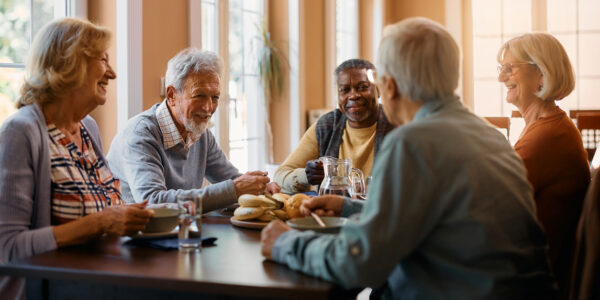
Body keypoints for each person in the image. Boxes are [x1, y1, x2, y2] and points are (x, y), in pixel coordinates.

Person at [261, 17, 557, 299]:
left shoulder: (412, 143)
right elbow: (439, 219)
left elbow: (361, 263)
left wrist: (285, 243)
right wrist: (349, 207)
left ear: (388, 86)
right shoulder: (491, 135)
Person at [0, 18, 153, 299]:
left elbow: (105, 213)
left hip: (97, 283)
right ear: (69, 64)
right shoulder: (20, 132)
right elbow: (7, 248)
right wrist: (101, 223)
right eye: (103, 60)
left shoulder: (88, 128)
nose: (113, 73)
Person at [107, 48, 279, 210]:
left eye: (215, 97)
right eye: (199, 96)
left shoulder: (200, 133)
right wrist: (235, 189)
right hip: (129, 238)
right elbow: (153, 201)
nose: (208, 107)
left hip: (178, 232)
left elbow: (231, 180)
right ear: (172, 95)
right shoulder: (140, 134)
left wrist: (260, 187)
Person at [497, 33, 590, 295]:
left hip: (535, 284)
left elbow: (491, 205)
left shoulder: (546, 136)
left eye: (510, 69)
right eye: (501, 69)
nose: (501, 78)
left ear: (541, 75)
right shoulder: (546, 126)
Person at [273, 59, 394, 194]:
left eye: (363, 87)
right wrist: (306, 176)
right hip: (333, 213)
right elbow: (279, 177)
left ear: (378, 90)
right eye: (345, 90)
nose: (353, 95)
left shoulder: (397, 123)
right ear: (338, 96)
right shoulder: (326, 126)